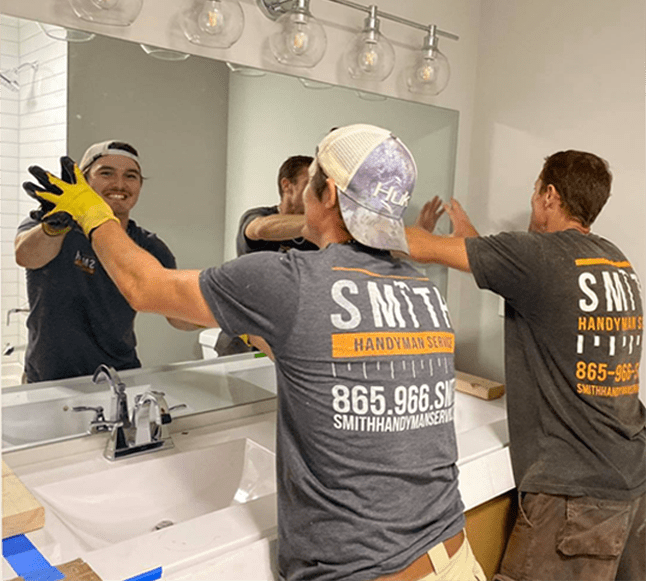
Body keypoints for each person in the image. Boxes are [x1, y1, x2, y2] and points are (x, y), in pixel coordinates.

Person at [24, 124, 486, 581]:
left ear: (325, 197)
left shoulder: (289, 279)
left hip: (361, 572)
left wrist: (91, 212)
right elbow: (310, 350)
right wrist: (251, 331)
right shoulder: (419, 290)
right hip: (455, 556)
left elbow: (146, 288)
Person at [407, 150, 646, 581]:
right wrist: (472, 242)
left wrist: (351, 217)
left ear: (550, 195)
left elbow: (421, 248)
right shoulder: (614, 262)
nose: (534, 197)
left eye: (536, 189)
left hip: (575, 495)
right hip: (630, 478)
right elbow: (526, 282)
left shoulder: (537, 256)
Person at [15, 140, 197, 383]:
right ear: (84, 180)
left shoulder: (149, 246)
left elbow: (179, 316)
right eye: (106, 173)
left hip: (117, 380)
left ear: (140, 185)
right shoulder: (52, 224)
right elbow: (26, 256)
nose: (119, 184)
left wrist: (232, 314)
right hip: (48, 381)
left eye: (130, 176)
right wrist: (53, 226)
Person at [236, 154, 318, 256]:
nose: (317, 191)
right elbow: (259, 229)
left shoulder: (316, 235)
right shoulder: (257, 215)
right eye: (310, 183)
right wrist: (319, 221)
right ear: (286, 185)